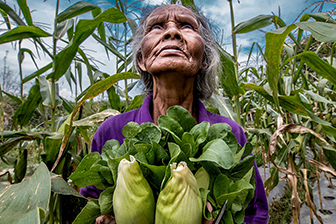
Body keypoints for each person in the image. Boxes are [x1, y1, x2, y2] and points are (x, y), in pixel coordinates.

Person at [80, 4, 269, 224]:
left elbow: (255, 215)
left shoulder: (231, 134)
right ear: (142, 59)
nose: (172, 32)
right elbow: (92, 205)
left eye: (187, 26)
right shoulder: (110, 132)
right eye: (157, 26)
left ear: (204, 59)